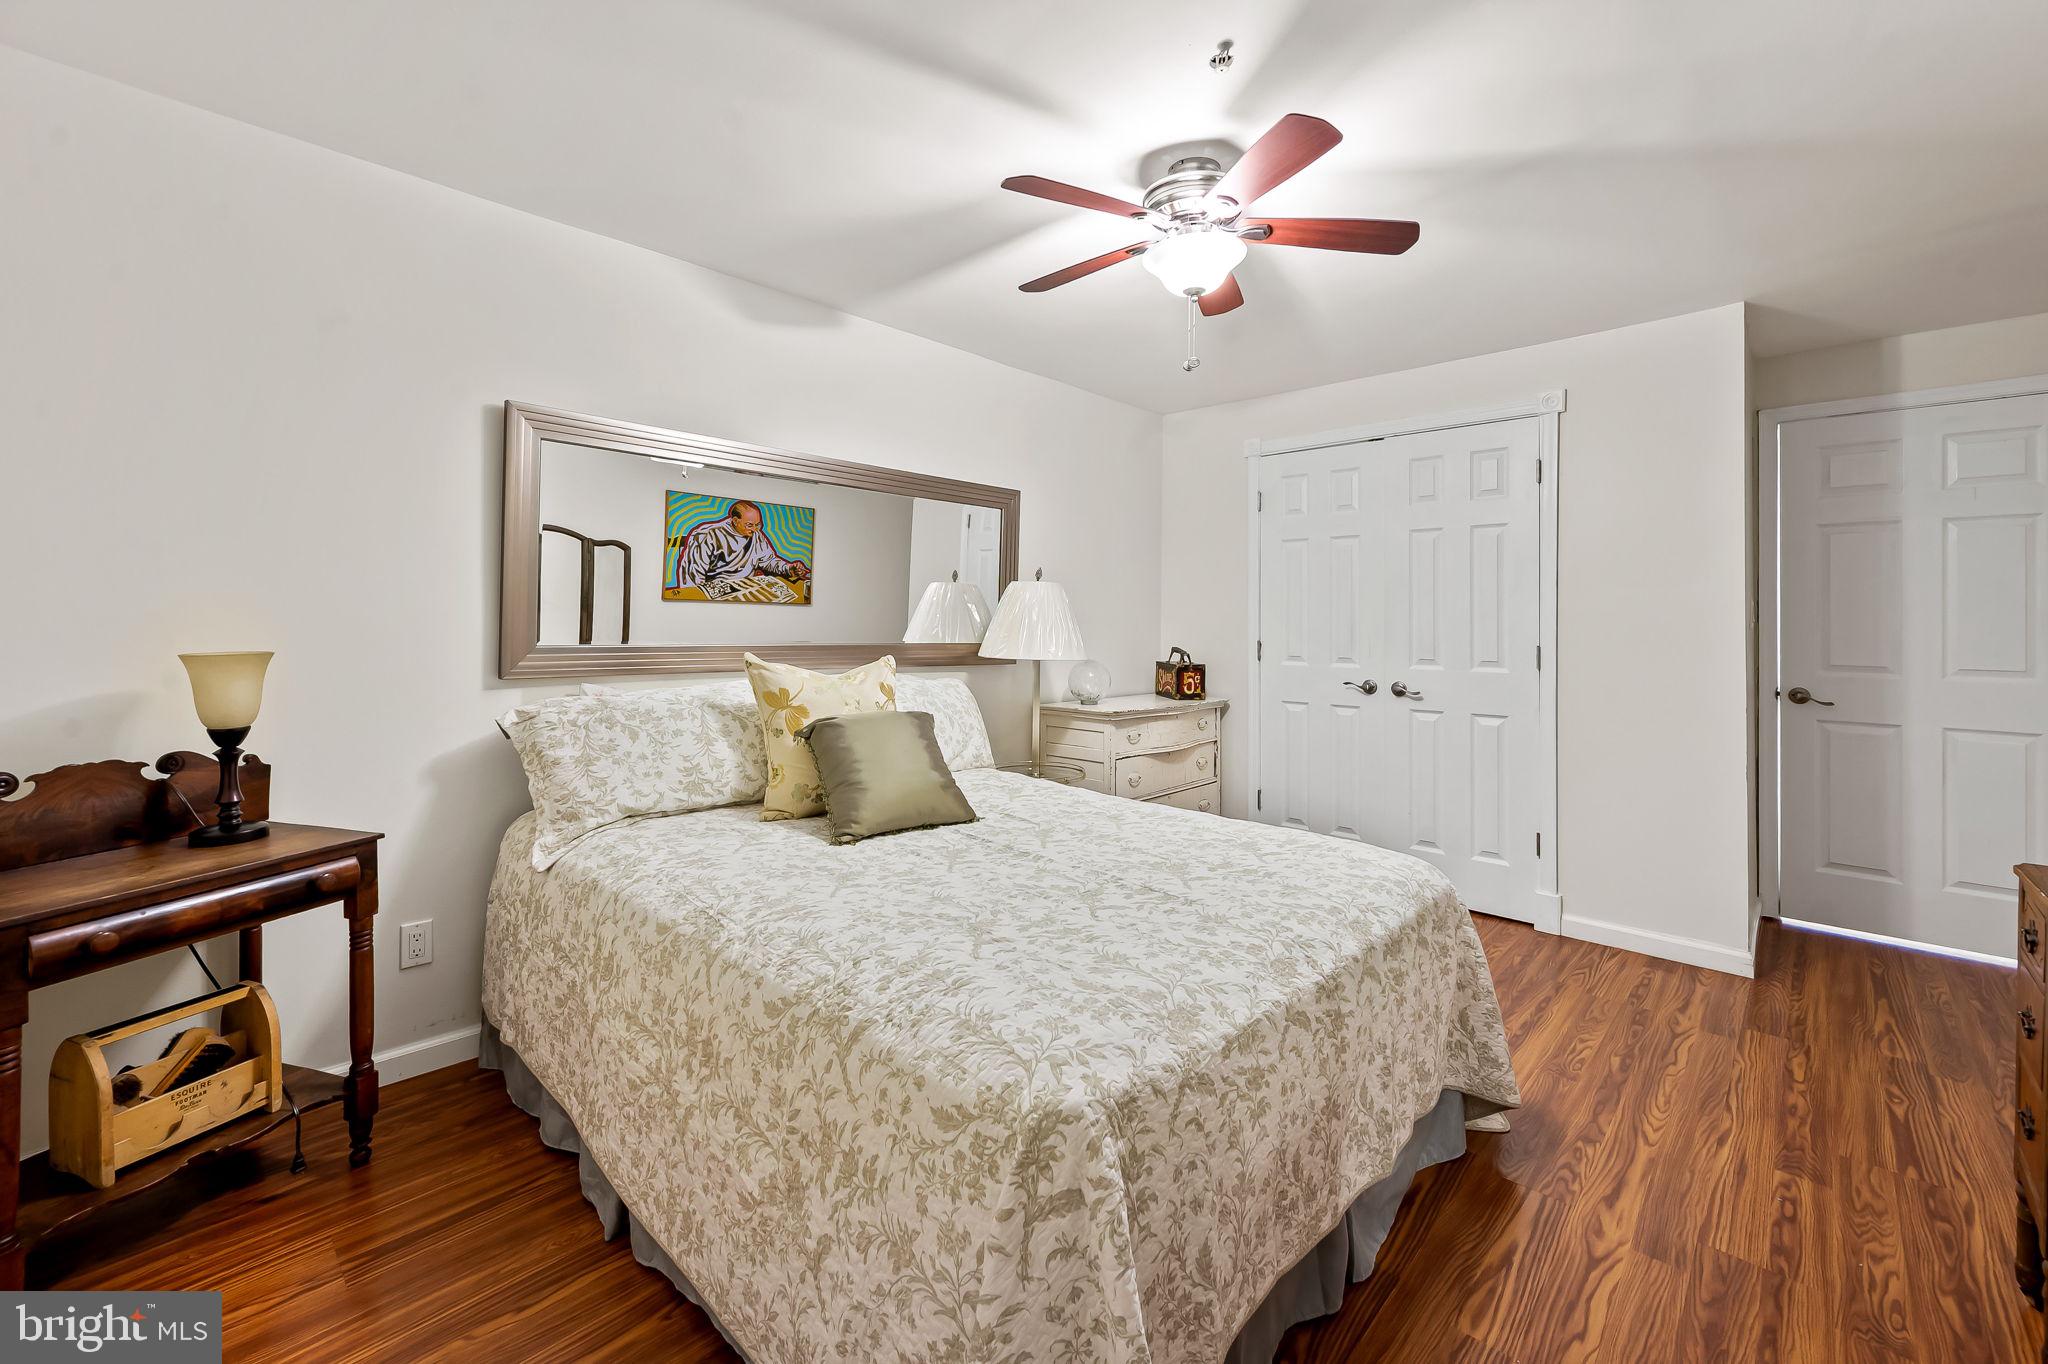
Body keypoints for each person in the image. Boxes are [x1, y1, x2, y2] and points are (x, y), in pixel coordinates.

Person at [672, 499, 810, 599]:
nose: (755, 530)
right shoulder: (708, 535)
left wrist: (789, 568)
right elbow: (692, 577)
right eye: (750, 525)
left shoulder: (756, 535)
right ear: (735, 520)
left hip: (746, 592)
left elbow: (768, 561)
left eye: (758, 525)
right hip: (714, 596)